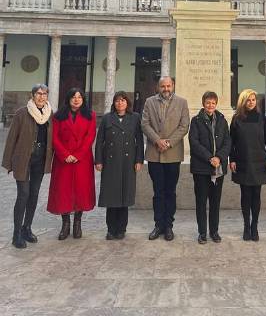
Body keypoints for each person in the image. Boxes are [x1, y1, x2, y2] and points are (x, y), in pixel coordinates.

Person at [2, 84, 53, 249]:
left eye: (45, 94)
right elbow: (11, 139)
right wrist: (8, 162)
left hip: (40, 160)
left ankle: (27, 228)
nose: (42, 97)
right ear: (32, 95)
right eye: (39, 93)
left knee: (34, 194)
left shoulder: (50, 114)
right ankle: (16, 233)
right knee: (23, 194)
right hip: (23, 159)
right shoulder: (22, 113)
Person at [141, 76, 190, 241]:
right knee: (158, 192)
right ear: (158, 87)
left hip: (173, 153)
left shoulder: (182, 103)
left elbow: (184, 126)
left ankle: (168, 225)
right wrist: (157, 140)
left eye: (169, 86)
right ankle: (158, 225)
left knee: (170, 191)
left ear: (173, 86)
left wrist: (168, 143)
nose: (166, 89)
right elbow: (144, 124)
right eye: (163, 86)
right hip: (154, 155)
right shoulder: (149, 102)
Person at [47, 88, 96, 240]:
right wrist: (65, 155)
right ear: (68, 99)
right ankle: (65, 224)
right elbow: (54, 138)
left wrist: (77, 155)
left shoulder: (91, 116)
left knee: (81, 191)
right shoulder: (58, 116)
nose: (76, 100)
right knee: (63, 191)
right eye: (73, 97)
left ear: (83, 100)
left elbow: (90, 136)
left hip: (82, 159)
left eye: (79, 97)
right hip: (63, 161)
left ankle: (77, 223)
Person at [95, 91, 144, 240]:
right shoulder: (107, 118)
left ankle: (121, 228)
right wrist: (98, 160)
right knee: (111, 196)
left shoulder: (135, 118)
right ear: (113, 103)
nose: (120, 103)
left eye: (123, 100)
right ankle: (111, 229)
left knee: (125, 195)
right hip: (110, 162)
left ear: (127, 103)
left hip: (128, 162)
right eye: (117, 101)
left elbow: (140, 141)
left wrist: (139, 160)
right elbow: (99, 141)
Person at [230, 89, 266, 241]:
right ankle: (246, 227)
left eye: (253, 100)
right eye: (248, 100)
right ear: (243, 101)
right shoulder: (236, 119)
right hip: (243, 161)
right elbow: (232, 142)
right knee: (245, 195)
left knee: (256, 195)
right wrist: (232, 159)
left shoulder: (262, 118)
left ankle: (254, 226)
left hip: (259, 160)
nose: (251, 102)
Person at [189, 91, 231, 244]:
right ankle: (202, 233)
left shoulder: (222, 120)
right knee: (201, 202)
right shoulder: (196, 121)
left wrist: (219, 157)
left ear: (216, 104)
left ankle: (214, 231)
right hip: (201, 168)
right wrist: (209, 158)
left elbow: (228, 141)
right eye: (208, 102)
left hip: (218, 168)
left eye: (213, 103)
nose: (210, 105)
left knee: (215, 202)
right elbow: (194, 142)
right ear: (203, 103)